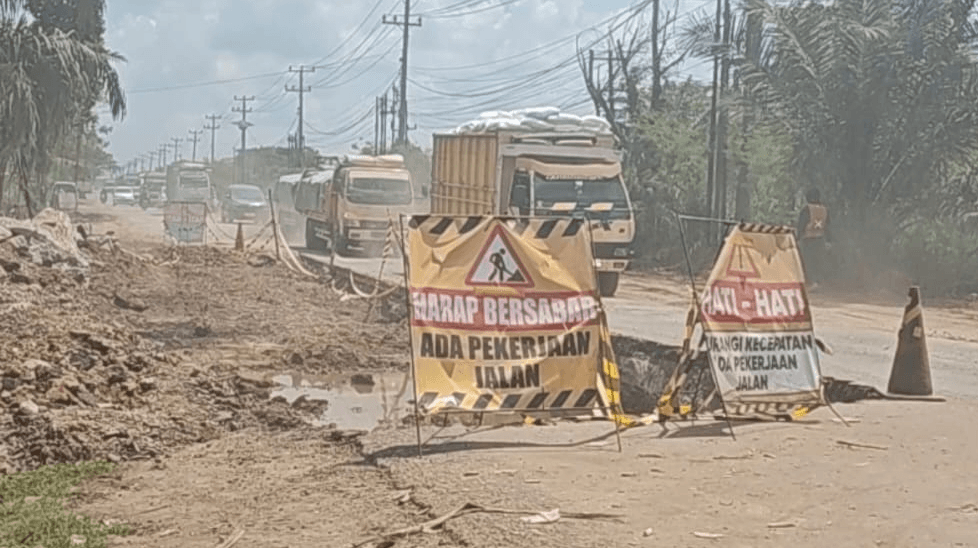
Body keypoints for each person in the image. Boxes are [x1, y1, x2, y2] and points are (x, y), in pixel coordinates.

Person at [796, 188, 831, 287]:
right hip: (820, 238)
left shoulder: (807, 209)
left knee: (809, 261)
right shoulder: (825, 209)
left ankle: (812, 282)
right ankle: (818, 281)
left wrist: (798, 238)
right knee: (818, 261)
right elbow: (828, 226)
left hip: (808, 238)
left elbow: (801, 225)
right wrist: (829, 240)